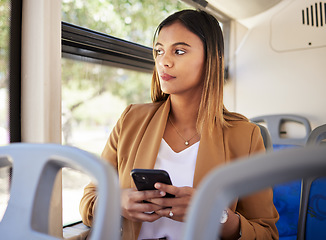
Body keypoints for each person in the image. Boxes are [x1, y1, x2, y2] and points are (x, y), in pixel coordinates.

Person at [80, 9, 279, 240]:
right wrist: (117, 202)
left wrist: (215, 214)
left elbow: (266, 233)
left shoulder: (245, 136)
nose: (164, 61)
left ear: (211, 59)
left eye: (180, 51)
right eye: (159, 51)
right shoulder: (130, 120)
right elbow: (89, 200)